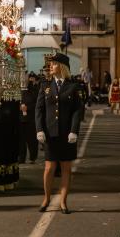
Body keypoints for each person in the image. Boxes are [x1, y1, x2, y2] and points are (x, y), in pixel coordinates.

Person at [35, 53, 84, 214]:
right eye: (51, 64)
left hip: (66, 134)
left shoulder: (73, 86)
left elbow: (78, 110)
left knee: (66, 168)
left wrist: (74, 130)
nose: (51, 66)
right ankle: (46, 198)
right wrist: (39, 129)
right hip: (50, 133)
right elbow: (39, 109)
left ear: (62, 67)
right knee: (49, 167)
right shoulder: (45, 85)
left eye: (54, 64)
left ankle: (63, 202)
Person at [18, 72, 40, 163]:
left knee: (32, 140)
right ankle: (21, 158)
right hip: (20, 119)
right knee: (21, 141)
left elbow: (38, 103)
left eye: (25, 78)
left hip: (31, 119)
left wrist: (28, 107)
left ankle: (32, 157)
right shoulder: (18, 90)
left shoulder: (34, 90)